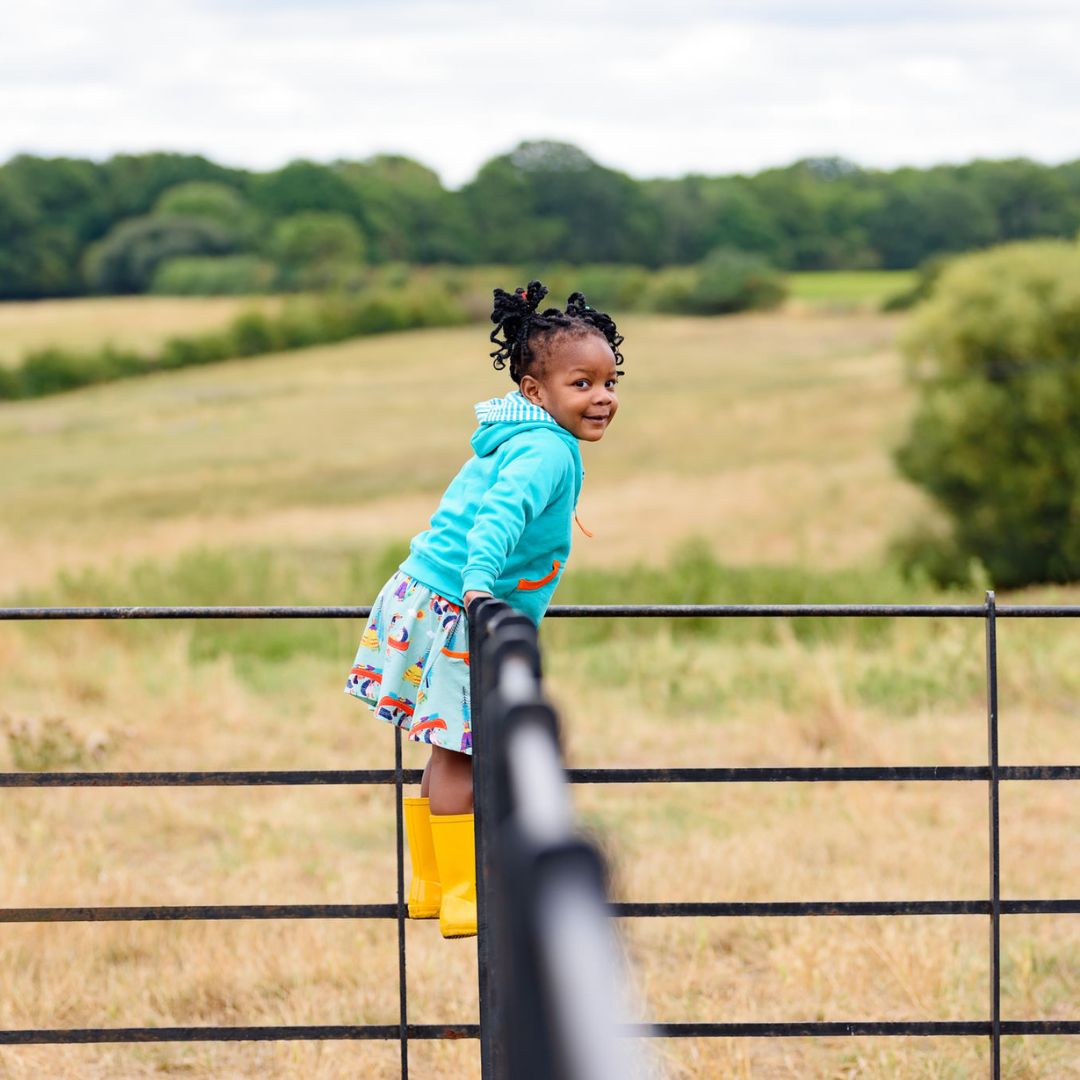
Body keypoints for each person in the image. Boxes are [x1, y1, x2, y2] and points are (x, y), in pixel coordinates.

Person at [344, 280, 624, 938]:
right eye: (581, 384)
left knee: (445, 752)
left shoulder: (524, 438)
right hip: (452, 605)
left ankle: (430, 884)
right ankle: (467, 895)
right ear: (535, 392)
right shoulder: (546, 450)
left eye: (609, 382)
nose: (602, 397)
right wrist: (479, 583)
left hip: (426, 593)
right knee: (460, 755)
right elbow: (499, 518)